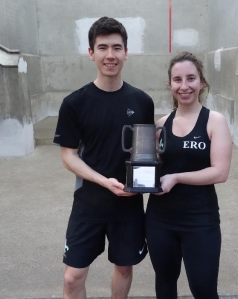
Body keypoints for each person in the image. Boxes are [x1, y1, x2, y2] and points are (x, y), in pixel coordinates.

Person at [53, 17, 154, 299]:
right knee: (73, 278)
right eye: (103, 47)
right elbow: (68, 157)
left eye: (117, 47)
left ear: (126, 52)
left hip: (128, 205)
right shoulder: (74, 103)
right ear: (91, 53)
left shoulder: (142, 101)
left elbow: (144, 152)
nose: (110, 55)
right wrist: (103, 181)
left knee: (124, 268)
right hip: (88, 202)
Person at [145, 52, 232, 299]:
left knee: (203, 289)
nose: (184, 86)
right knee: (164, 284)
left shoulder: (215, 121)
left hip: (200, 220)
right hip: (160, 219)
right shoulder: (161, 124)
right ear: (170, 84)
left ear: (202, 82)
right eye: (177, 80)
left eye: (191, 78)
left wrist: (176, 177)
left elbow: (220, 172)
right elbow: (154, 167)